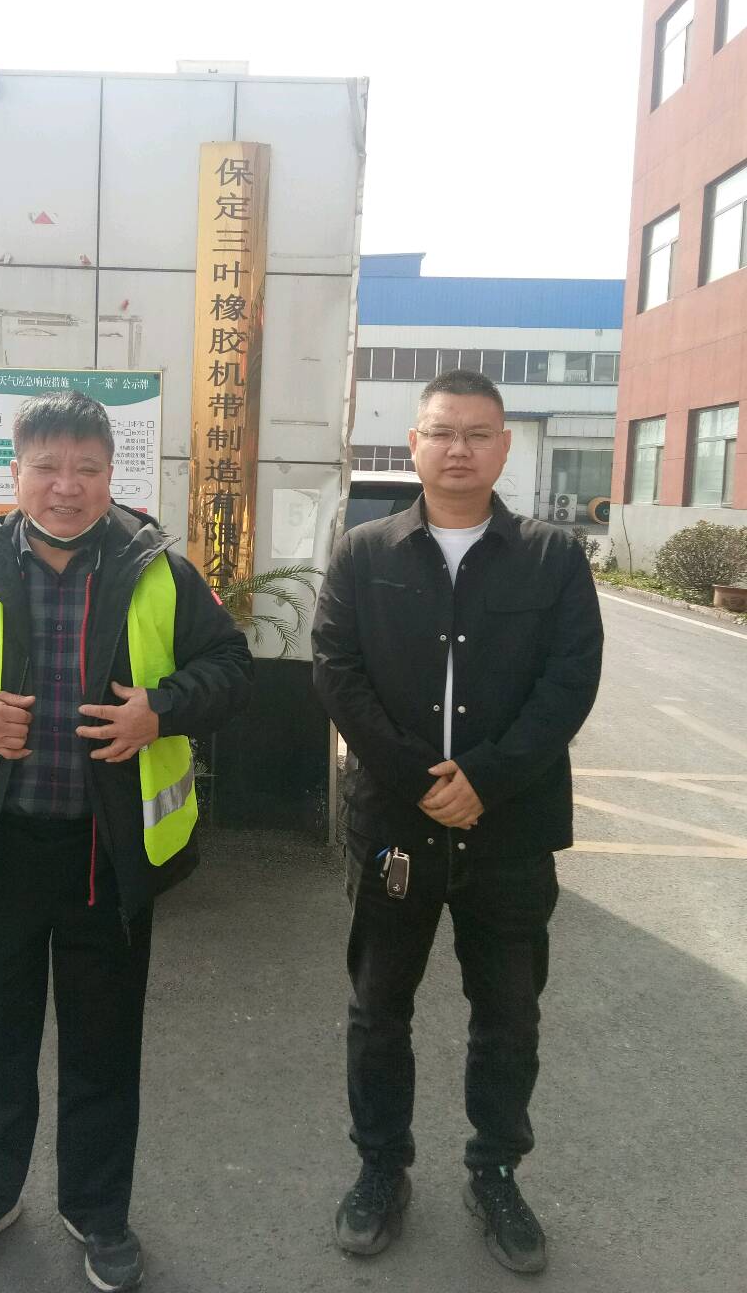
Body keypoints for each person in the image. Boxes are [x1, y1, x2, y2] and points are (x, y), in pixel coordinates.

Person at [0, 391, 253, 1291]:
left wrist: (161, 710)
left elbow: (232, 668)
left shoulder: (158, 570)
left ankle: (98, 1211)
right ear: (15, 474)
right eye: (46, 468)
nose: (66, 487)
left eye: (86, 468)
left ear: (111, 474)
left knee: (103, 1046)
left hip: (106, 854)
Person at [311, 368, 603, 1275]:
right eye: (441, 432)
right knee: (378, 1009)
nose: (459, 450)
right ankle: (379, 1169)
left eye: (478, 434)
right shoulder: (364, 552)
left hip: (509, 830)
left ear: (504, 446)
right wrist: (417, 780)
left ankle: (497, 1172)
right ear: (415, 444)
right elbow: (336, 669)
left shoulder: (553, 559)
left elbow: (570, 681)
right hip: (395, 827)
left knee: (508, 1015)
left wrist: (487, 779)